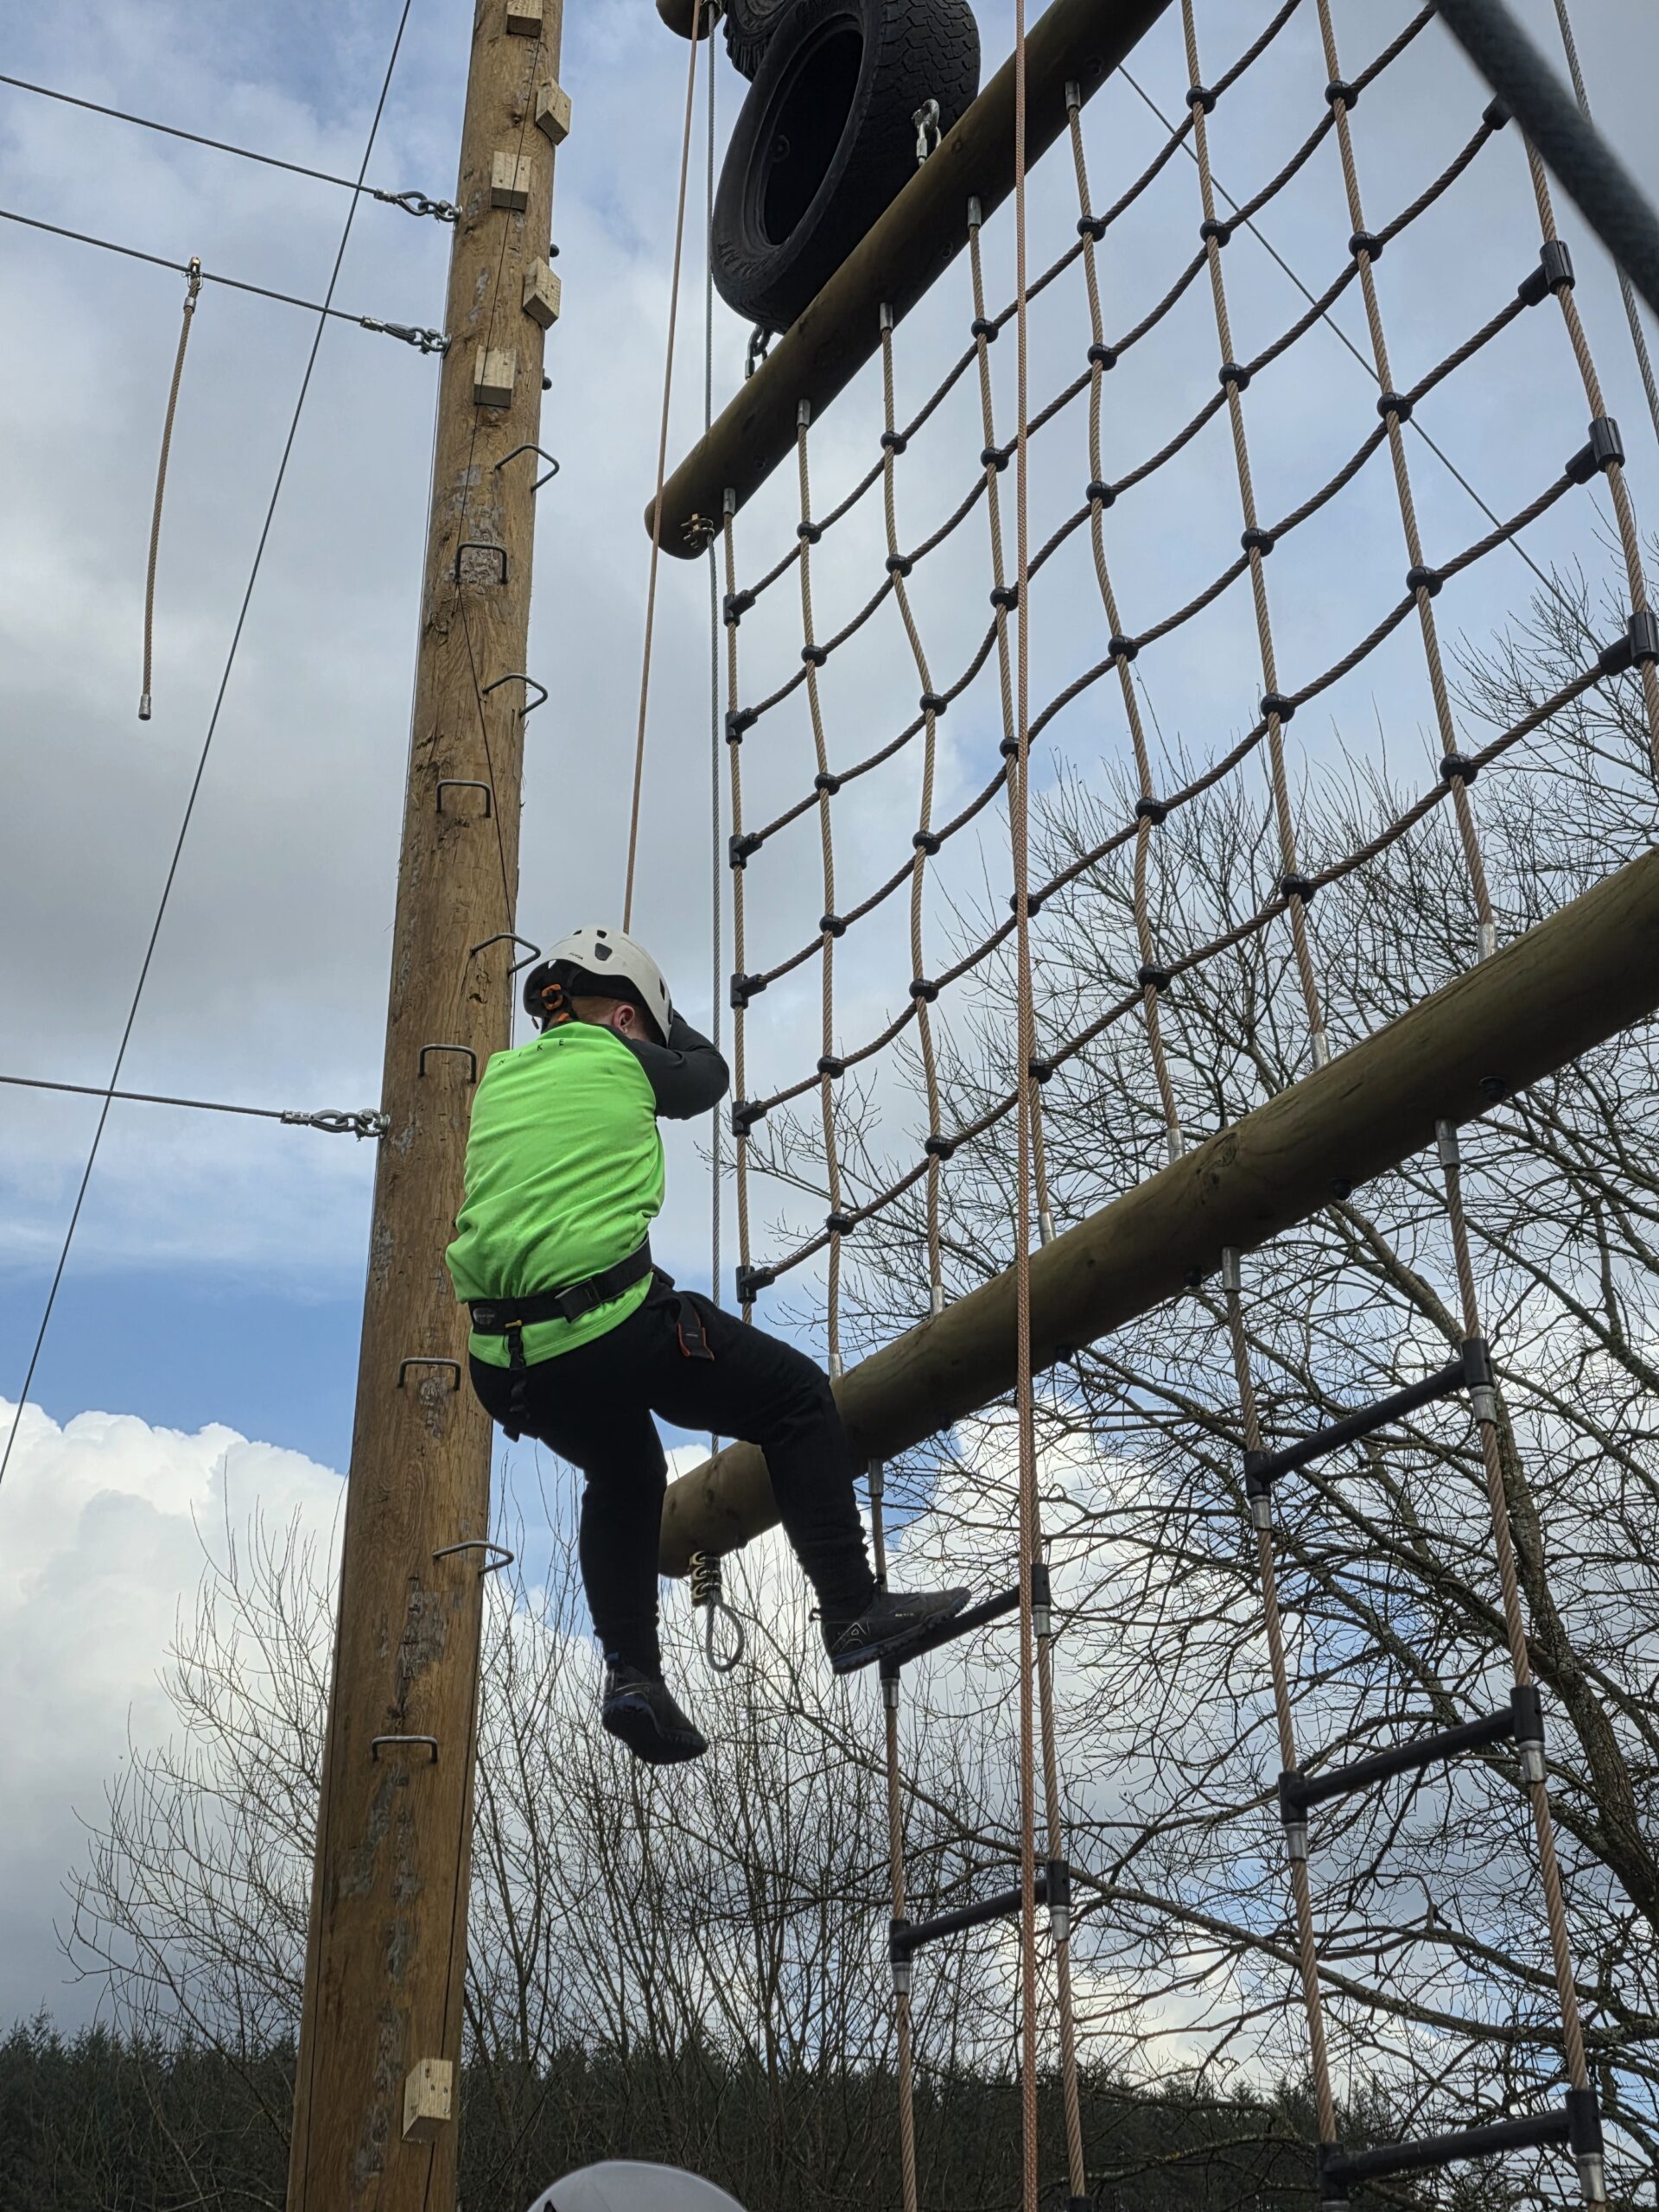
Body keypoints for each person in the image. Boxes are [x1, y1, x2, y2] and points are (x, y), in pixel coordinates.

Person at [446, 925, 968, 1765]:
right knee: (795, 1399)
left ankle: (633, 1675)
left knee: (625, 1472)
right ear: (626, 1019)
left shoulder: (500, 1078)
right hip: (608, 1330)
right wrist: (664, 1020)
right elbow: (707, 1075)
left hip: (506, 1368)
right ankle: (851, 1609)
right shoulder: (619, 1054)